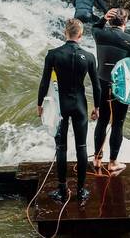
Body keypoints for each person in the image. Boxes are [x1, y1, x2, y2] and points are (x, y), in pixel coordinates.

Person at [38, 19, 101, 202]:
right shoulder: (89, 56)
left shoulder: (53, 55)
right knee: (81, 147)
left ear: (65, 33)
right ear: (80, 35)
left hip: (61, 107)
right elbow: (96, 87)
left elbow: (44, 82)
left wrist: (40, 103)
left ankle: (62, 190)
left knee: (61, 147)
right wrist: (97, 107)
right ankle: (81, 191)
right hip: (80, 105)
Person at [92, 8, 130, 173]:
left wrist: (102, 19)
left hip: (101, 84)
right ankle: (113, 162)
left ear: (110, 20)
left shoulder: (99, 34)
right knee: (117, 124)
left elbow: (95, 27)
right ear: (125, 22)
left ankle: (97, 159)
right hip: (119, 87)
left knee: (102, 121)